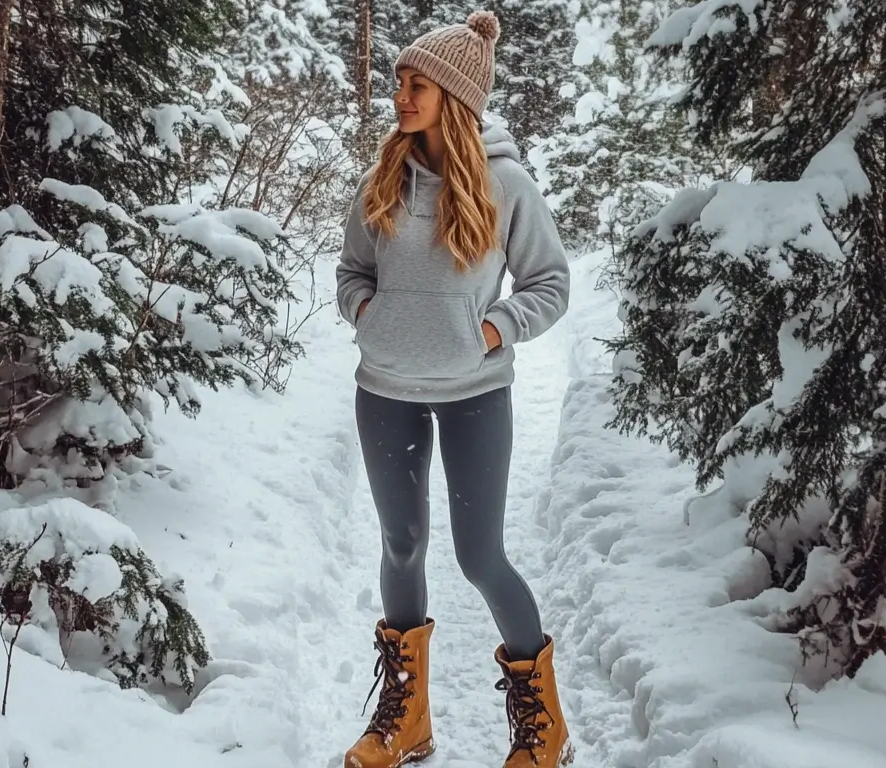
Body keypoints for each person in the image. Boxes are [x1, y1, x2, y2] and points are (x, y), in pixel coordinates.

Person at [335, 10, 573, 768]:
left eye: (417, 85)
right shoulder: (384, 175)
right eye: (400, 82)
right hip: (386, 388)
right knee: (402, 544)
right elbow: (351, 272)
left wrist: (495, 328)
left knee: (481, 558)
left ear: (454, 96)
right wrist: (365, 313)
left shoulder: (505, 184)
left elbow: (550, 281)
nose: (401, 97)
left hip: (474, 393)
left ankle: (545, 724)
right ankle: (407, 721)